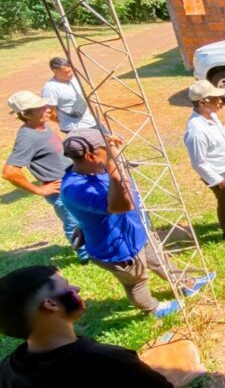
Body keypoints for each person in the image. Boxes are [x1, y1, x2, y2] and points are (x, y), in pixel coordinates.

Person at [60, 128, 214, 318]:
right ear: (91, 156)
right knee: (137, 281)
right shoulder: (74, 188)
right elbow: (122, 205)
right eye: (106, 149)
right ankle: (153, 309)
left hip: (137, 231)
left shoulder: (97, 168)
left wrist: (113, 154)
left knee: (159, 259)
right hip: (118, 248)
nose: (111, 152)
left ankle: (187, 283)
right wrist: (115, 169)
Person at [0, 265, 177, 388]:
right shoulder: (110, 364)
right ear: (51, 304)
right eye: (67, 286)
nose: (77, 289)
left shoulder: (7, 371)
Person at [3, 91, 89, 264]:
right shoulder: (27, 137)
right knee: (73, 222)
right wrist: (39, 189)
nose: (47, 109)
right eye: (40, 107)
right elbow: (9, 172)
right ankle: (85, 256)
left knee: (85, 216)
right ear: (26, 114)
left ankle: (92, 247)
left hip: (73, 181)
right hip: (60, 191)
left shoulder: (42, 126)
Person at [183, 80, 225, 241]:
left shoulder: (212, 117)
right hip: (219, 172)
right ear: (203, 102)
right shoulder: (196, 131)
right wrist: (217, 180)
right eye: (216, 98)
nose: (220, 101)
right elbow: (198, 162)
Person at [41, 57, 99, 133]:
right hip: (74, 128)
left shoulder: (74, 79)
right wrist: (65, 121)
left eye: (71, 70)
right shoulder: (50, 88)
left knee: (110, 140)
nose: (71, 74)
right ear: (55, 71)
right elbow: (50, 112)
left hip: (90, 121)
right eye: (66, 72)